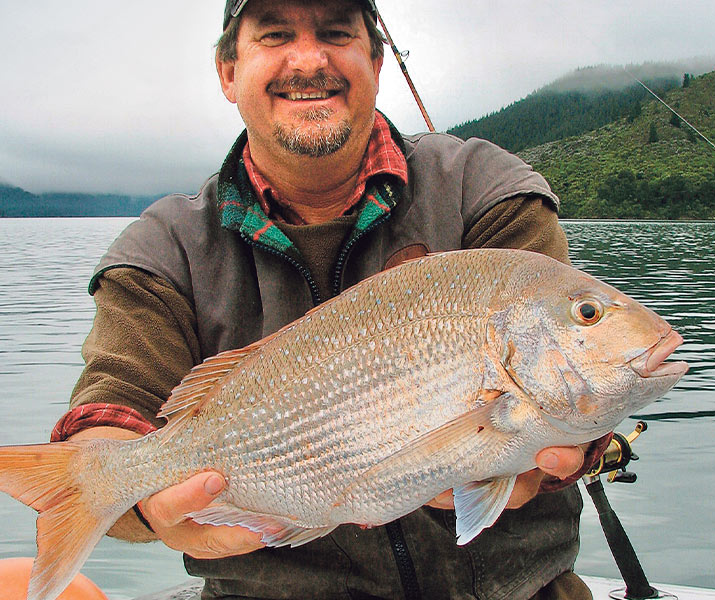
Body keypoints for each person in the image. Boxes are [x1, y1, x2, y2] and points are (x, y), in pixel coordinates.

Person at [52, 0, 609, 598]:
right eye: (274, 34)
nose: (309, 60)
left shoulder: (487, 190)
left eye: (337, 32)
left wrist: (576, 446)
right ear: (228, 72)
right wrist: (130, 499)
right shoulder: (162, 250)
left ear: (376, 60)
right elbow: (113, 406)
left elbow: (573, 373)